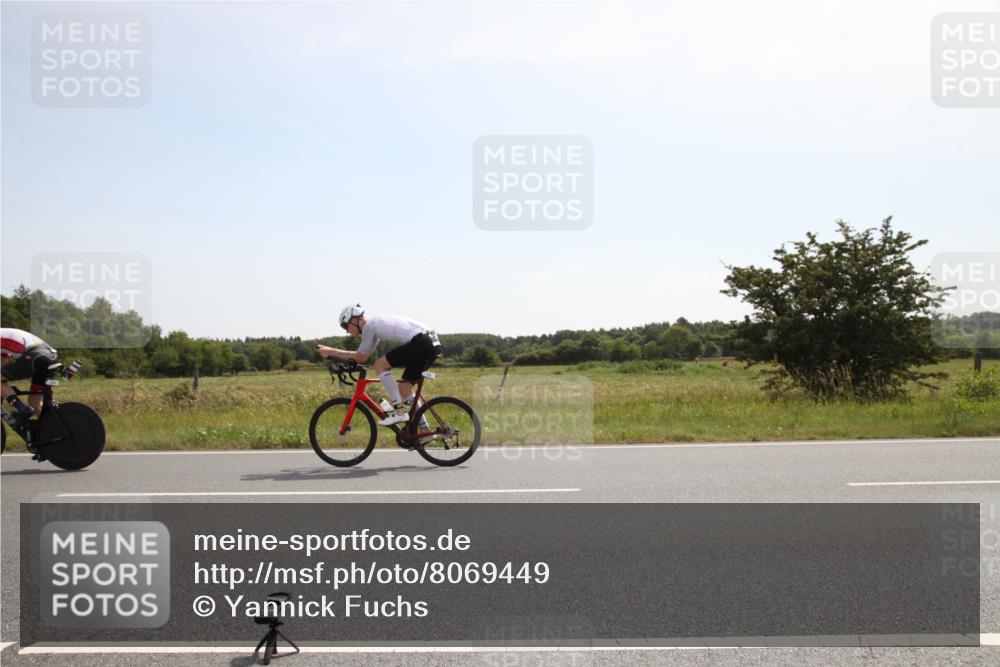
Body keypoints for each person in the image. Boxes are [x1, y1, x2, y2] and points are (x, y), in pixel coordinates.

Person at [316, 305, 441, 426]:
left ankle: (399, 411)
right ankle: (425, 430)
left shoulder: (369, 326)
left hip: (422, 342)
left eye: (345, 326)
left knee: (380, 365)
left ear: (354, 320)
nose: (347, 331)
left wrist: (330, 351)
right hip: (432, 343)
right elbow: (363, 357)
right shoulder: (374, 326)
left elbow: (360, 356)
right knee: (404, 388)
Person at [1, 328, 58, 426]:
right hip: (50, 356)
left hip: (36, 356)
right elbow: (3, 365)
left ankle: (22, 409)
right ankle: (50, 431)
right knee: (35, 402)